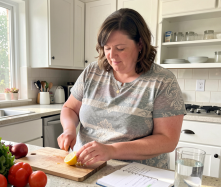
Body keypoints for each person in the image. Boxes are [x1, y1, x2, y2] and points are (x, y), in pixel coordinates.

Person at [57, 8, 186, 169]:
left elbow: (167, 140)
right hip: (86, 168)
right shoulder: (92, 71)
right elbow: (70, 108)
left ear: (140, 44)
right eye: (107, 48)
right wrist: (69, 129)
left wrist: (111, 150)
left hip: (139, 175)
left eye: (120, 48)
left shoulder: (162, 81)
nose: (111, 55)